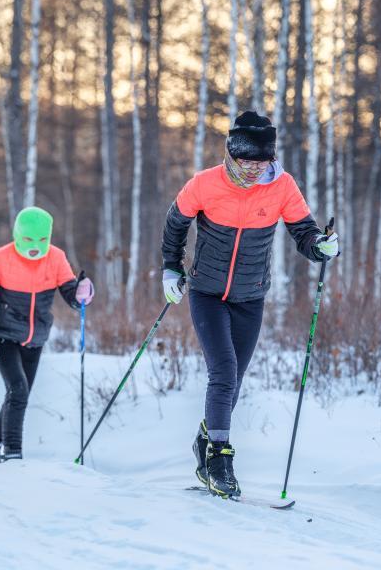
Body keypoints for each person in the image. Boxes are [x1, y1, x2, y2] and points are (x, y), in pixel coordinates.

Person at [160, 110, 338, 498]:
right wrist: (171, 268)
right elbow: (175, 224)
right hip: (207, 293)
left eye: (263, 161)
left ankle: (206, 439)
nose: (255, 169)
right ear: (231, 154)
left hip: (250, 295)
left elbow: (303, 232)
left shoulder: (282, 186)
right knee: (223, 372)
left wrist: (320, 247)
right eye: (247, 161)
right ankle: (220, 459)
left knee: (234, 379)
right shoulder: (205, 183)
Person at [0, 206, 95, 462]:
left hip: (36, 340)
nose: (35, 247)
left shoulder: (56, 258)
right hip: (4, 335)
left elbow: (70, 294)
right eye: (28, 239)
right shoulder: (0, 259)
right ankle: (13, 455)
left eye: (42, 240)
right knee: (18, 391)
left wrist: (81, 293)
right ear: (17, 234)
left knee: (18, 395)